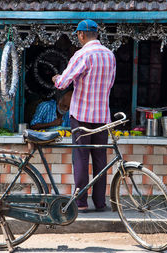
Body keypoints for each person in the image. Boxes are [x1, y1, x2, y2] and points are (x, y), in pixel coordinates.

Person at [52, 19, 116, 213]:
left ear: (81, 35)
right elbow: (111, 83)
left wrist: (56, 79)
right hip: (102, 116)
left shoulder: (82, 54)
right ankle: (100, 203)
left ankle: (81, 202)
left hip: (81, 116)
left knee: (80, 157)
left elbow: (63, 83)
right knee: (100, 159)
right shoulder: (109, 55)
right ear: (96, 34)